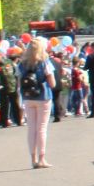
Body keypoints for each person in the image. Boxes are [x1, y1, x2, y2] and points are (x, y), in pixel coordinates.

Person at [16, 40, 56, 168]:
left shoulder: (22, 64)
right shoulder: (44, 62)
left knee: (31, 128)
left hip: (28, 97)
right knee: (42, 128)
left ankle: (33, 158)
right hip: (43, 96)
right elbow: (52, 83)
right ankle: (41, 158)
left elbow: (19, 83)